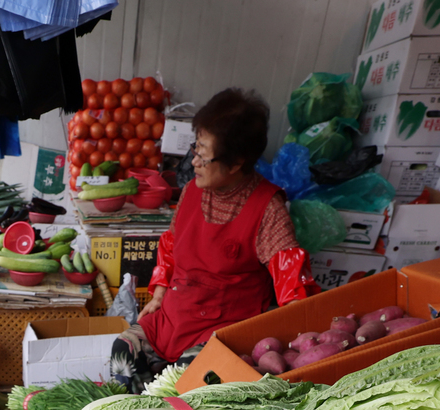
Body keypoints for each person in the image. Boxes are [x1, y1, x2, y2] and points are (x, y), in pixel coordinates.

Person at [114, 88, 321, 387]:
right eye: (195, 148)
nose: (194, 162)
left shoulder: (268, 211)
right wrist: (159, 294)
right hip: (175, 314)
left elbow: (294, 294)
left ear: (236, 162)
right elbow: (170, 246)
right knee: (124, 350)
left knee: (191, 377)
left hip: (224, 327)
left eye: (204, 154)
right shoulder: (190, 192)